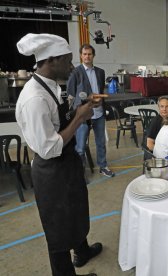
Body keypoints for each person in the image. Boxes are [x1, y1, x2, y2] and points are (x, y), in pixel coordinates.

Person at [15, 33, 101, 276]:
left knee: (75, 211)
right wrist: (80, 118)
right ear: (51, 60)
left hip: (67, 162)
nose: (72, 66)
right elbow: (49, 147)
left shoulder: (52, 86)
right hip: (52, 170)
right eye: (67, 60)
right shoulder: (34, 98)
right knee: (58, 228)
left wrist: (81, 107)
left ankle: (82, 251)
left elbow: (59, 119)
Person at [67, 44, 114, 178]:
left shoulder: (100, 72)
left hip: (99, 114)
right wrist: (86, 99)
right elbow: (71, 95)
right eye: (84, 54)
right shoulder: (75, 73)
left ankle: (103, 166)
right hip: (82, 115)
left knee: (101, 143)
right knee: (80, 147)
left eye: (89, 54)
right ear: (81, 56)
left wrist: (99, 101)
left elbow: (100, 90)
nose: (87, 56)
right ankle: (79, 174)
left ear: (93, 55)